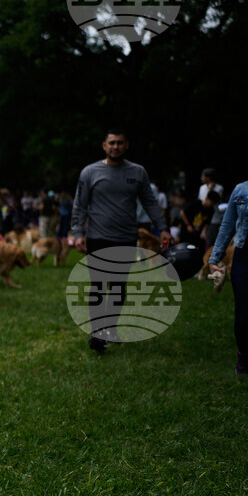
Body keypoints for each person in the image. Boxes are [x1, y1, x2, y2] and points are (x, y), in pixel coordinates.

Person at [71, 128, 170, 353]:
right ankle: (97, 334)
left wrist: (163, 228)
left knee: (118, 287)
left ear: (127, 145)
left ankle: (111, 328)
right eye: (112, 143)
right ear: (104, 146)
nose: (115, 146)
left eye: (120, 143)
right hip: (97, 237)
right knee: (98, 285)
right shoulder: (89, 172)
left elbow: (150, 202)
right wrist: (77, 233)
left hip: (125, 237)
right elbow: (80, 205)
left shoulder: (137, 172)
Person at [208, 146, 248, 389]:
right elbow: (227, 225)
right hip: (245, 259)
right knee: (244, 317)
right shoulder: (241, 190)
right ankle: (244, 352)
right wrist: (215, 256)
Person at [199, 168, 225, 251]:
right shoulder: (202, 188)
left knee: (211, 241)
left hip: (213, 219)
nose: (201, 178)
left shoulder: (219, 188)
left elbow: (212, 202)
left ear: (208, 178)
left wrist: (210, 189)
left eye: (203, 176)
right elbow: (202, 203)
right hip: (202, 218)